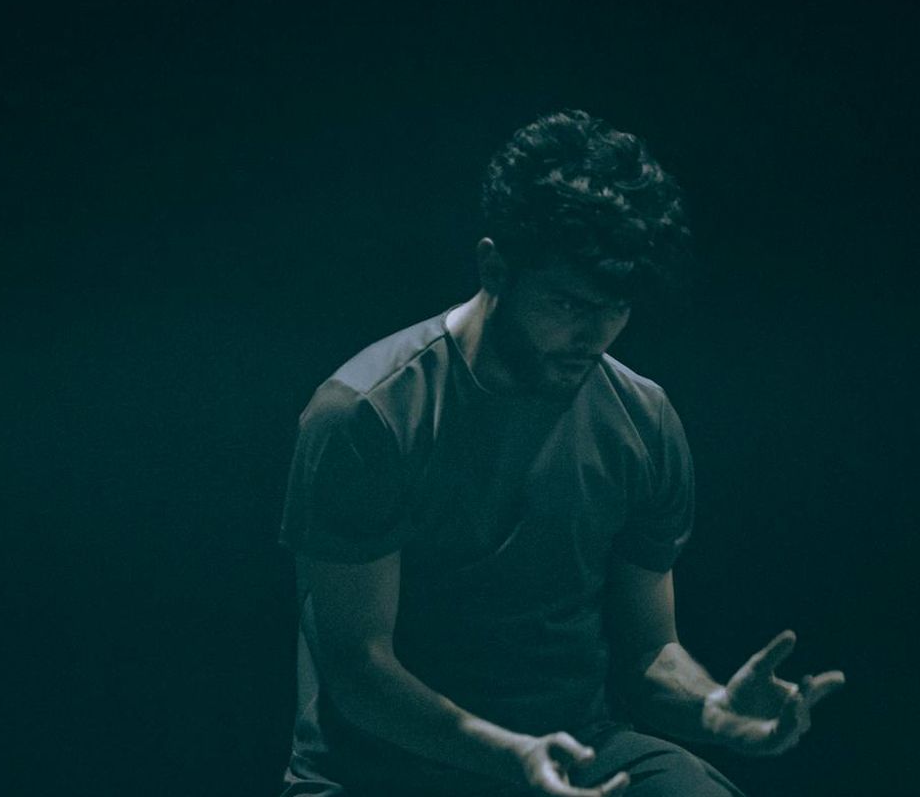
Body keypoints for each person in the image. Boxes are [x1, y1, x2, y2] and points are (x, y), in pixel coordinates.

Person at [278, 110, 844, 797]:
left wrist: (711, 708)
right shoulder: (368, 415)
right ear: (494, 267)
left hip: (576, 750)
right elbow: (358, 670)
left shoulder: (642, 419)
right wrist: (512, 755)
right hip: (382, 774)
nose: (595, 335)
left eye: (615, 307)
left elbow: (648, 653)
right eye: (568, 305)